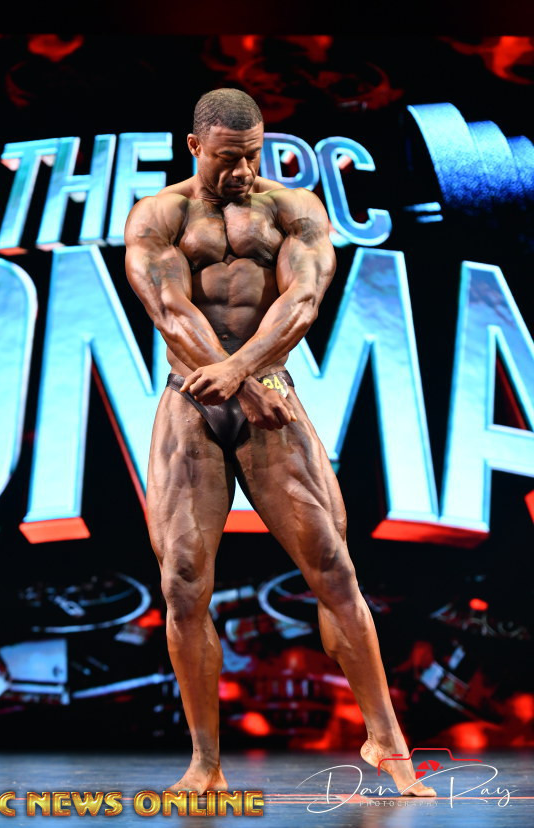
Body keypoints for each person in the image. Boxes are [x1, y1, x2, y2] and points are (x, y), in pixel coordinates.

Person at [124, 88, 435, 797]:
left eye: (254, 156)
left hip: (271, 395)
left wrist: (244, 372)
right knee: (181, 582)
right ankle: (205, 764)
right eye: (228, 158)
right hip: (191, 405)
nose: (243, 171)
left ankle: (388, 744)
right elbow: (169, 310)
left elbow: (302, 301)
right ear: (194, 146)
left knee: (334, 569)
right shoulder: (158, 216)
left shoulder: (293, 209)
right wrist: (237, 384)